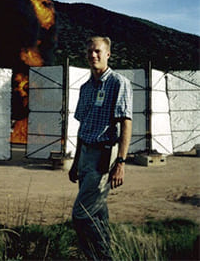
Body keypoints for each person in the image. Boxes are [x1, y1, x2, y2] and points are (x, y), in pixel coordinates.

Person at [69, 36, 133, 260]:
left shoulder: (118, 82)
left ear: (108, 54)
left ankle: (100, 257)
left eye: (97, 51)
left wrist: (121, 163)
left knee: (81, 215)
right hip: (86, 153)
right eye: (89, 52)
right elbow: (82, 128)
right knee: (97, 213)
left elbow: (126, 123)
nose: (93, 56)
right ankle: (106, 252)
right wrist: (75, 163)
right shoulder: (85, 88)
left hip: (104, 155)